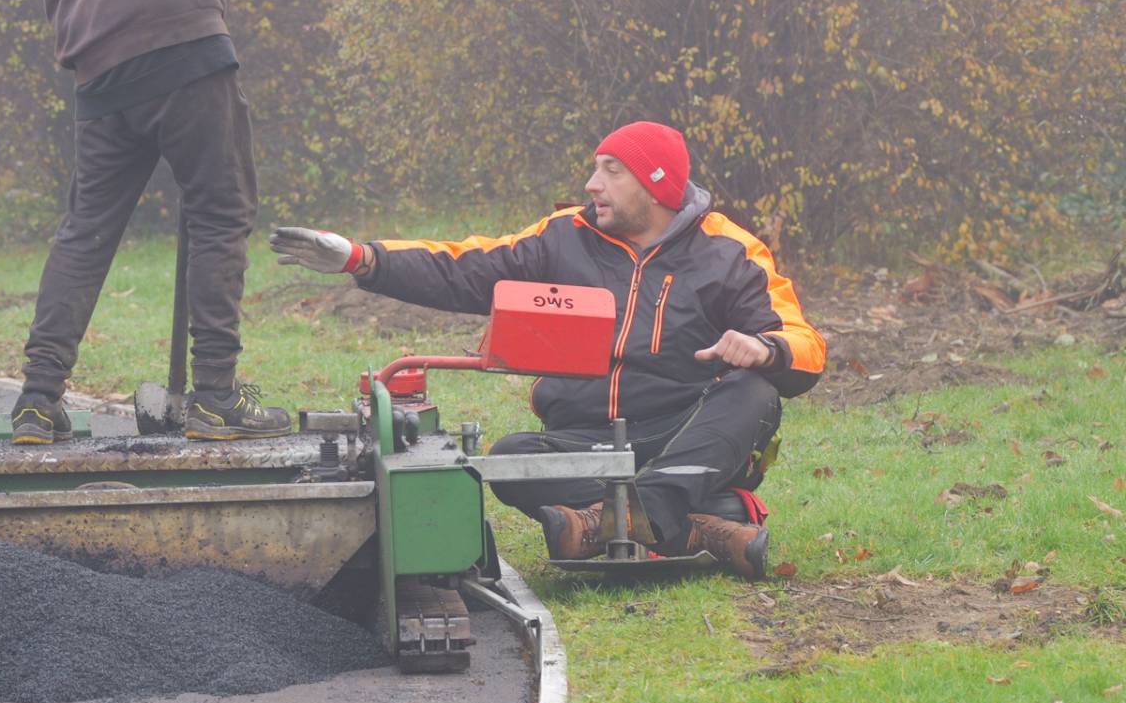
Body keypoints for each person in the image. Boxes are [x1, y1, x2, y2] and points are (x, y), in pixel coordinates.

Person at [271, 122, 824, 579]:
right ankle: (694, 526)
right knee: (510, 453)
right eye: (595, 168)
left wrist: (766, 348)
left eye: (611, 170)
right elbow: (464, 266)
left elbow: (806, 345)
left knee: (755, 390)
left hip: (683, 434)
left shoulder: (731, 251)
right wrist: (362, 258)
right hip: (583, 441)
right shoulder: (562, 237)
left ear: (655, 185)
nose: (591, 184)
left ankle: (608, 522)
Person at [6, 0, 290, 445]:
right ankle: (217, 398)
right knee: (221, 212)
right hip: (179, 45)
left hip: (98, 74)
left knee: (87, 232)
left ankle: (37, 399)